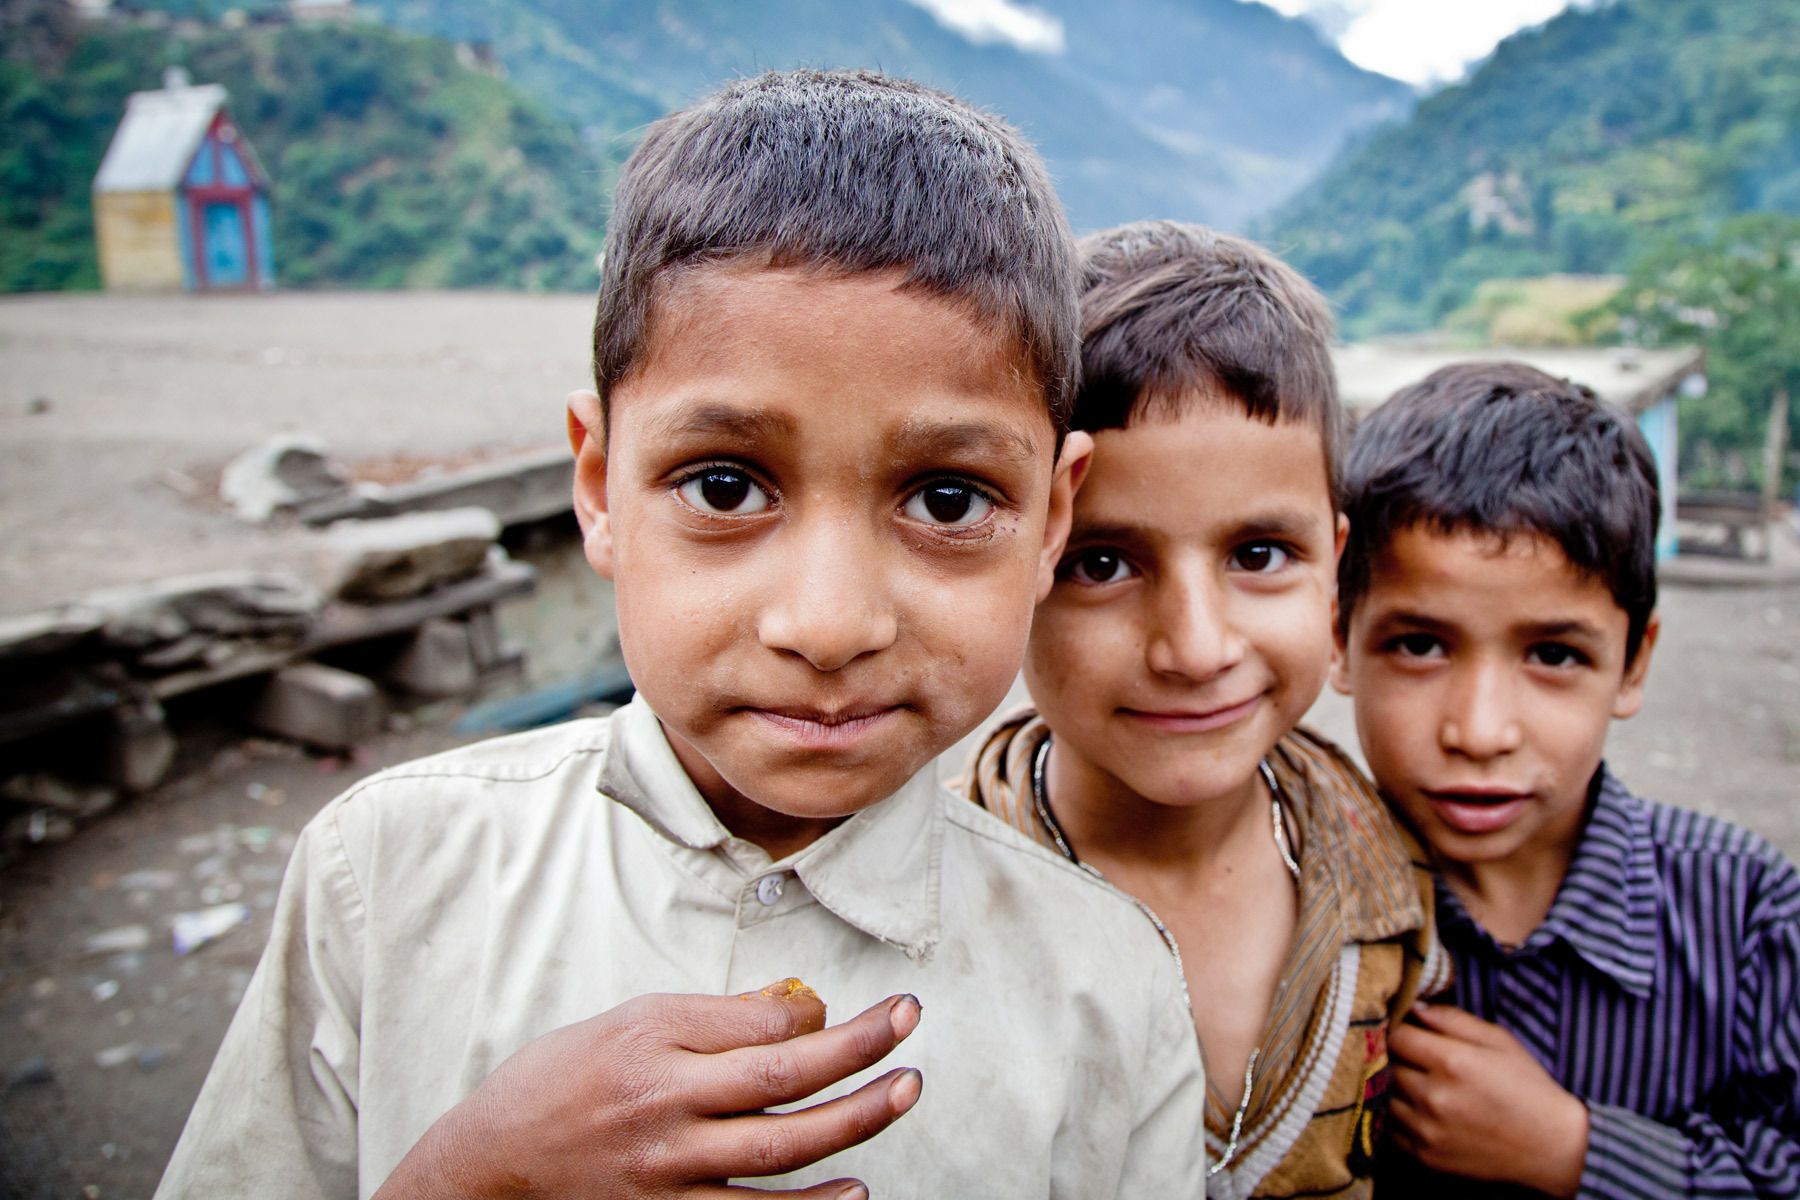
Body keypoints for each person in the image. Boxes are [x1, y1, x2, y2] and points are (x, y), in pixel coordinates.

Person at [157, 70, 1208, 1200]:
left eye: (947, 500)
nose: (827, 626)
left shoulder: (1110, 988)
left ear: (1051, 519)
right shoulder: (384, 874)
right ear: (599, 485)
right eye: (724, 485)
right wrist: (464, 1181)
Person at [963, 220, 1445, 1200]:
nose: (1194, 648)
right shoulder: (931, 902)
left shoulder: (1392, 871)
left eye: (1258, 555)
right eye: (1102, 563)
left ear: (1335, 569)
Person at [1332, 361, 1800, 1197]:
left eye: (1553, 654)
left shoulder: (1748, 916)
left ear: (1633, 664)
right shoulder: (1293, 912)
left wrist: (1576, 1150)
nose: (1481, 732)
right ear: (1339, 637)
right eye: (1420, 645)